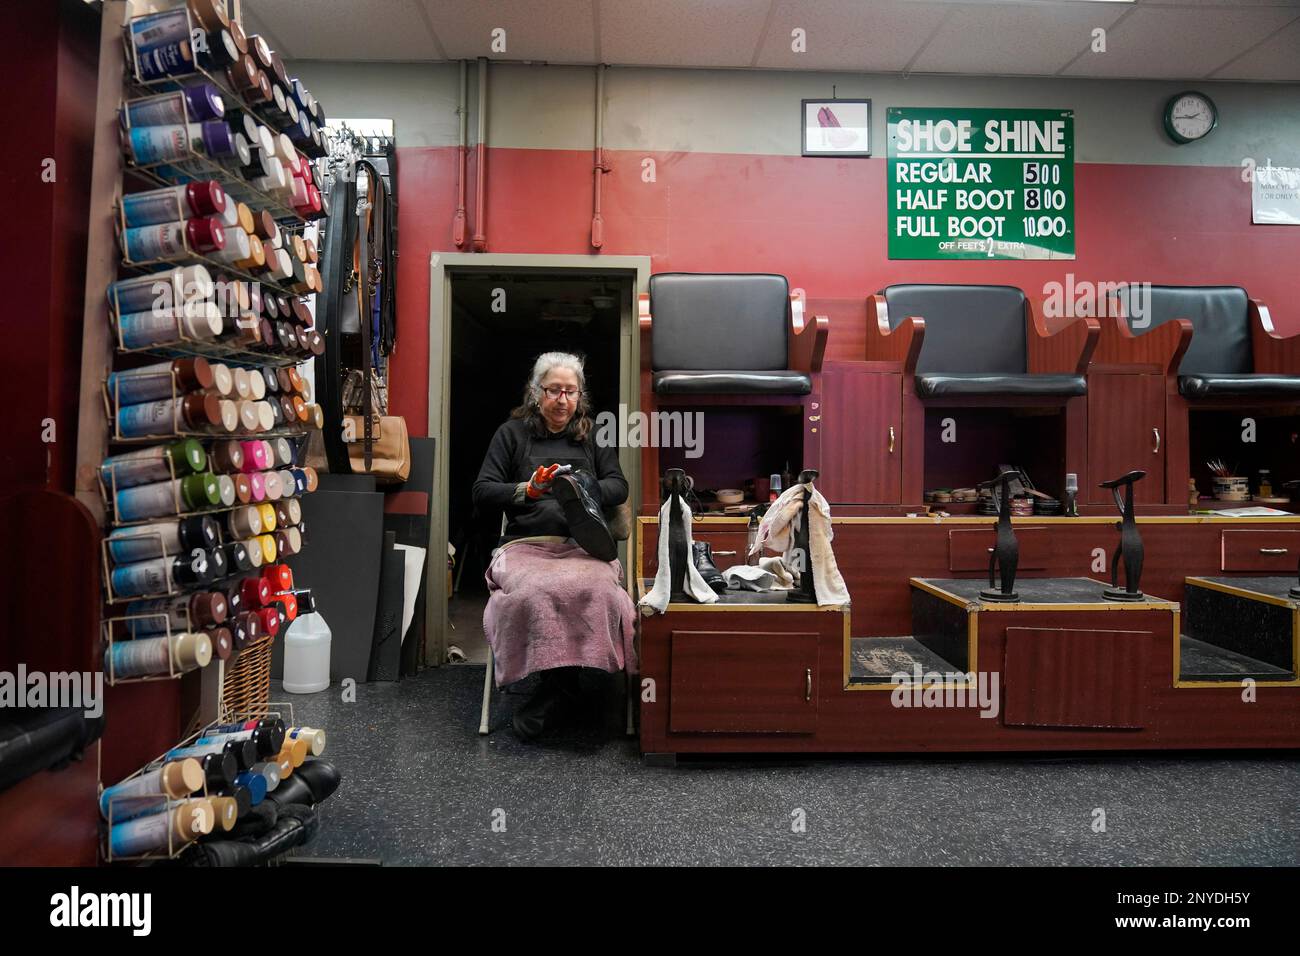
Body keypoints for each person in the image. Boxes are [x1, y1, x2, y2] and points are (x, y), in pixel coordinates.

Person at [472, 351, 636, 741]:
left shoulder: (593, 435)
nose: (562, 400)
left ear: (580, 397)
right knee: (532, 592)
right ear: (535, 393)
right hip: (527, 545)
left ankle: (561, 687)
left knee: (600, 591)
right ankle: (563, 687)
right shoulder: (510, 435)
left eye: (570, 392)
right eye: (553, 391)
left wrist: (584, 486)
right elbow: (482, 490)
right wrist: (526, 489)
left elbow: (620, 486)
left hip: (581, 545)